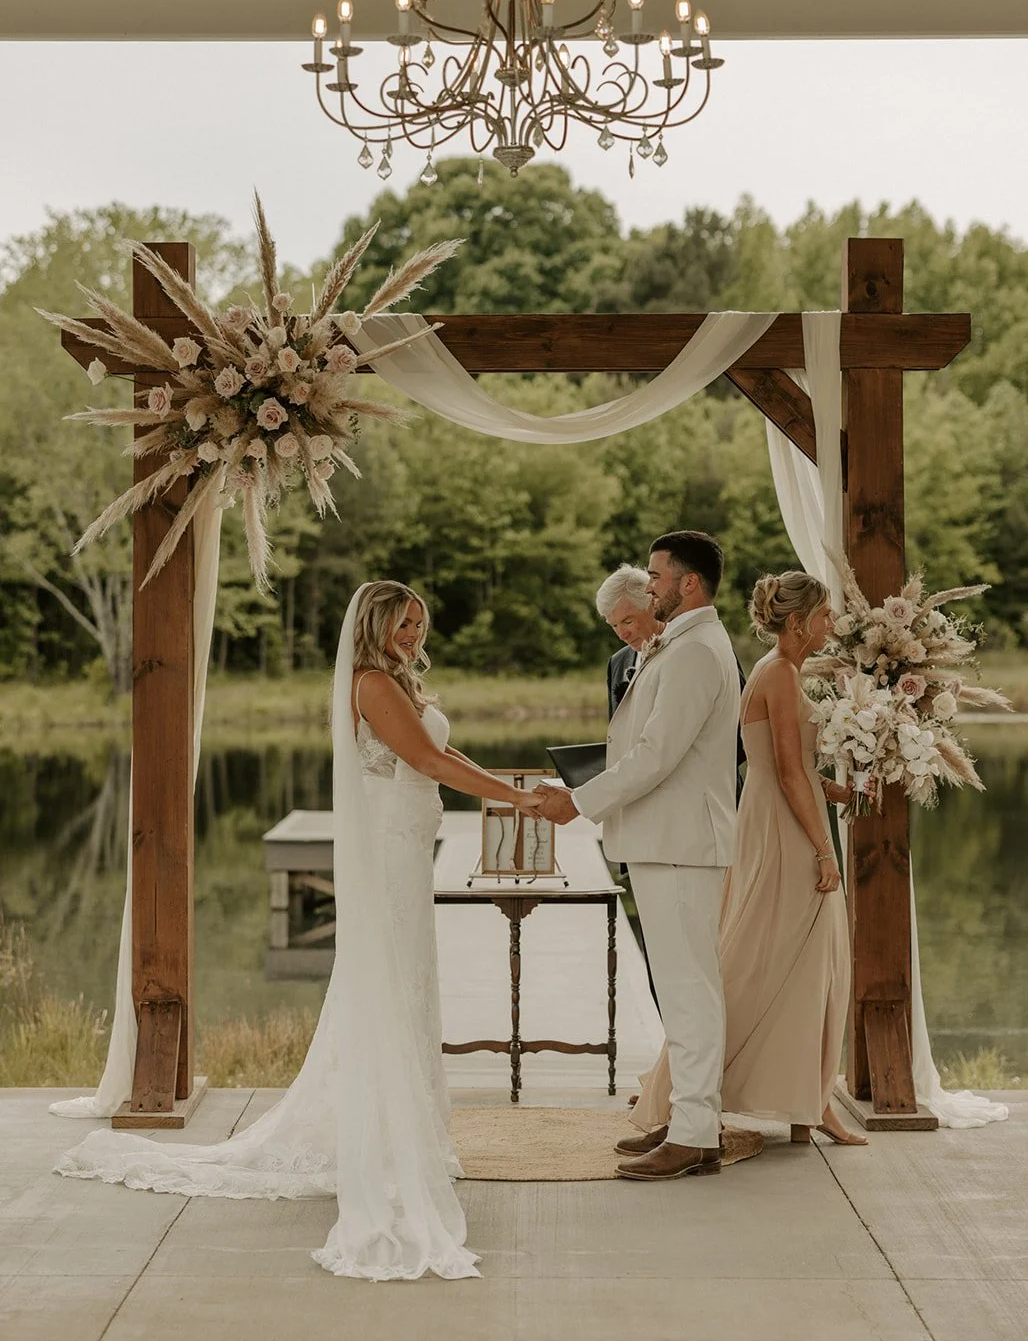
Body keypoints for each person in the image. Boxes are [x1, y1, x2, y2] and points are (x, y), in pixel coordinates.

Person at [55, 581, 544, 1282]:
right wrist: (522, 798)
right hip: (389, 849)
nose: (414, 634)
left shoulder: (394, 681)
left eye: (419, 624)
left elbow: (450, 759)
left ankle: (403, 1128)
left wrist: (510, 789)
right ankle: (384, 1138)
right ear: (374, 626)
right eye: (404, 623)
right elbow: (428, 763)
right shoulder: (373, 683)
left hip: (407, 846)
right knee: (389, 983)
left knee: (405, 983)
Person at [620, 570, 867, 1159]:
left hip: (779, 813)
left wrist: (841, 790)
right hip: (782, 828)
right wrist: (825, 849)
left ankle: (808, 1099)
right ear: (802, 621)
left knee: (794, 961)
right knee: (764, 960)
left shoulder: (781, 672)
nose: (833, 625)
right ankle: (708, 1097)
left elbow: (789, 767)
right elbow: (784, 771)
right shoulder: (778, 674)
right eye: (827, 615)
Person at [536, 531, 740, 1182]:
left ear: (690, 583)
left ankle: (696, 1131)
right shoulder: (680, 644)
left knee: (690, 989)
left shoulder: (695, 652)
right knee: (681, 991)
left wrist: (579, 801)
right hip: (664, 841)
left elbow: (656, 755)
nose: (648, 586)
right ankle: (689, 1123)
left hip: (680, 844)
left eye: (656, 576)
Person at [595, 563, 660, 717]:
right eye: (614, 625)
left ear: (653, 605)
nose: (621, 635)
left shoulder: (682, 650)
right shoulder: (617, 662)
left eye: (627, 622)